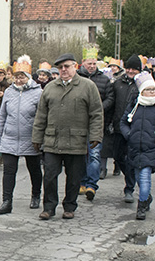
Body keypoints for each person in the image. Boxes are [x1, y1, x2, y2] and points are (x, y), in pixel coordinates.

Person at [32, 53, 103, 220]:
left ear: (75, 67)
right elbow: (41, 115)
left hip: (76, 140)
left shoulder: (87, 86)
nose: (63, 70)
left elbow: (96, 113)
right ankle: (48, 207)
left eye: (67, 66)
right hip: (52, 140)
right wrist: (37, 137)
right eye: (60, 67)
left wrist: (95, 136)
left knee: (74, 177)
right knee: (49, 175)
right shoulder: (50, 88)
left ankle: (70, 206)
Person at [0, 55, 43, 214]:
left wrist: (40, 138)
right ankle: (7, 201)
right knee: (9, 171)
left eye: (22, 77)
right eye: (16, 77)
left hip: (30, 138)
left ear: (28, 77)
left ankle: (36, 195)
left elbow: (42, 117)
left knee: (34, 169)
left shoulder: (38, 93)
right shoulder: (9, 92)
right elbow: (2, 116)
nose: (19, 80)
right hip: (10, 137)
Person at [120, 72, 155, 220]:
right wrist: (129, 134)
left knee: (145, 177)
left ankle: (141, 207)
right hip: (134, 147)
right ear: (142, 91)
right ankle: (146, 197)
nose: (152, 92)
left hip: (150, 148)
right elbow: (123, 122)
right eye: (149, 89)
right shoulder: (135, 105)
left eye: (154, 89)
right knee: (138, 178)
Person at [77, 47, 114, 202]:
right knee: (80, 155)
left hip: (96, 123)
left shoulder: (104, 79)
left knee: (94, 154)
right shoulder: (77, 79)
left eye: (94, 63)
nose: (92, 66)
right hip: (79, 123)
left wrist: (98, 108)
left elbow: (110, 99)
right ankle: (82, 182)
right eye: (89, 63)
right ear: (83, 63)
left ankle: (92, 184)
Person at [110, 55, 142, 203]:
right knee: (117, 156)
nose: (130, 71)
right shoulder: (118, 84)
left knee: (130, 159)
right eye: (128, 68)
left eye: (134, 69)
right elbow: (112, 103)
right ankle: (130, 176)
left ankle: (129, 188)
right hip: (117, 126)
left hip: (134, 128)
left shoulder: (142, 85)